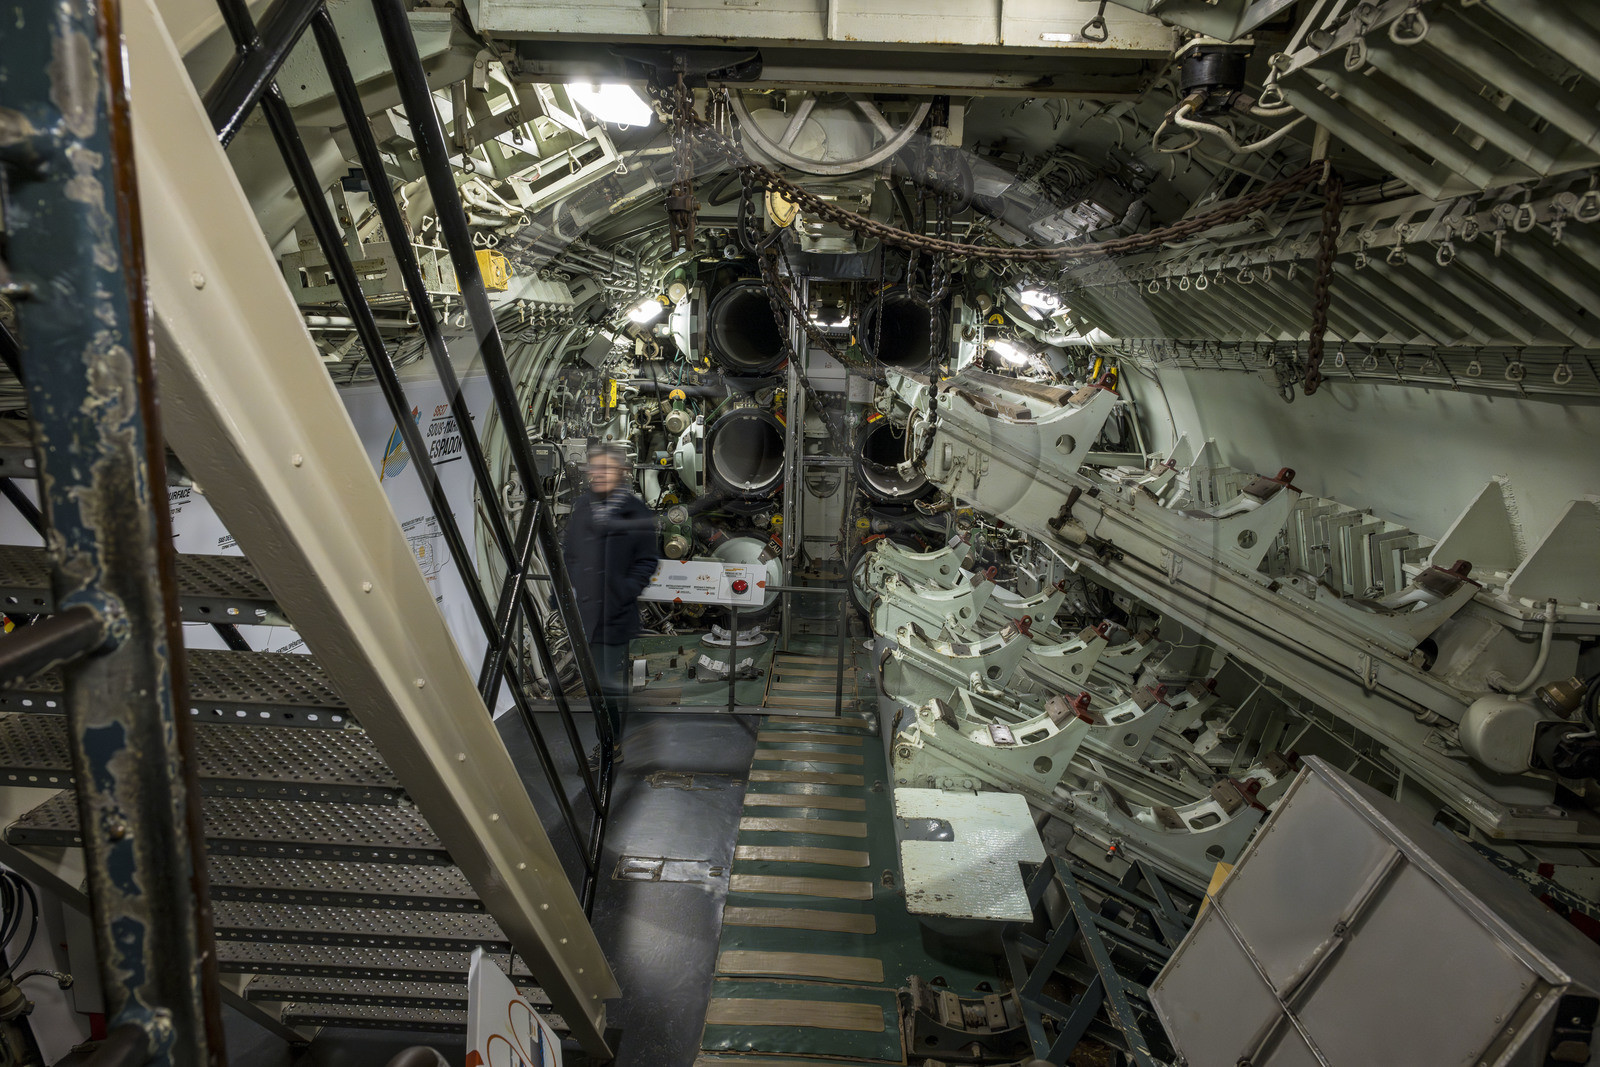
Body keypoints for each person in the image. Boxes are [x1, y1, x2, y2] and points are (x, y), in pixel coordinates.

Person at [560, 442, 660, 765]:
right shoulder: (583, 507)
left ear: (621, 472)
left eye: (606, 469)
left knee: (606, 685)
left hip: (615, 613)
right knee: (595, 685)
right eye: (595, 468)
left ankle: (610, 744)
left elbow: (647, 560)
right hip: (586, 613)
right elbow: (570, 554)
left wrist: (625, 590)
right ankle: (609, 739)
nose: (599, 474)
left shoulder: (636, 511)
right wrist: (568, 591)